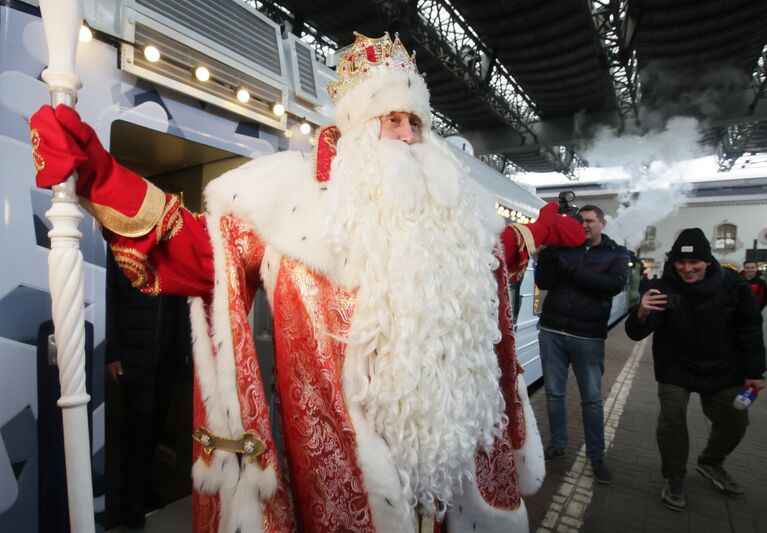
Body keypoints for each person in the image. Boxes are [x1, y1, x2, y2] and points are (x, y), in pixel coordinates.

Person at [29, 33, 585, 533]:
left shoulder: (455, 219)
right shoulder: (289, 201)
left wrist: (537, 234)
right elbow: (202, 255)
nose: (408, 135)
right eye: (391, 119)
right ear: (357, 129)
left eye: (416, 122)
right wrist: (101, 176)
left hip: (448, 485)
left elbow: (494, 256)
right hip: (341, 482)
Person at [625, 228, 765, 512]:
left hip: (723, 367)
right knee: (671, 422)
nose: (687, 269)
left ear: (707, 260)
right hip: (675, 366)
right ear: (673, 262)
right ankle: (674, 477)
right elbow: (636, 334)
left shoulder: (731, 283)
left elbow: (749, 329)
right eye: (681, 263)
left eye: (694, 263)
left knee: (735, 423)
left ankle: (711, 462)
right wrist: (640, 314)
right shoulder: (664, 287)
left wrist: (754, 372)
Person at [534, 204, 629, 484]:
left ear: (603, 223)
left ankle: (596, 455)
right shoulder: (565, 247)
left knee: (592, 399)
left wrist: (571, 271)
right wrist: (549, 258)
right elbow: (543, 282)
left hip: (587, 336)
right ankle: (558, 444)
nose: (584, 226)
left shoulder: (616, 253)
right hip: (552, 330)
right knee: (553, 393)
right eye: (581, 221)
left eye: (589, 221)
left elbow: (612, 284)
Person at [106, 248, 191, 527]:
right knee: (136, 429)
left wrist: (184, 346)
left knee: (154, 426)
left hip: (168, 353)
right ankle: (130, 501)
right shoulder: (120, 241)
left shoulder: (171, 243)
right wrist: (112, 352)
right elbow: (108, 296)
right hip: (135, 352)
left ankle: (144, 489)